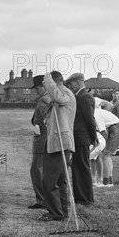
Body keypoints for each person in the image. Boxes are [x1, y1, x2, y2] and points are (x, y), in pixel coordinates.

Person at [39, 71, 76, 221]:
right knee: (60, 180)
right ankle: (62, 212)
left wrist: (47, 78)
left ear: (54, 82)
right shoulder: (60, 95)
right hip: (56, 142)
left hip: (61, 142)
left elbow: (58, 97)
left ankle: (55, 212)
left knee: (49, 179)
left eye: (46, 84)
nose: (45, 87)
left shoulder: (65, 93)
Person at [64, 73, 97, 206]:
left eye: (70, 84)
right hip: (77, 138)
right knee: (77, 168)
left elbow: (90, 120)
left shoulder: (85, 97)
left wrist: (93, 138)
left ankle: (86, 198)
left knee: (82, 168)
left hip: (82, 138)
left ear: (78, 83)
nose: (69, 86)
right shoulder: (79, 96)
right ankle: (80, 197)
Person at [28, 75, 51, 209]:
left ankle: (42, 200)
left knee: (36, 170)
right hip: (45, 138)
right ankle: (45, 199)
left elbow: (47, 120)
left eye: (37, 88)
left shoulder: (44, 100)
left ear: (43, 86)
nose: (36, 91)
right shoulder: (48, 98)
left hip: (42, 139)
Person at [93, 100, 119, 187]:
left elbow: (104, 133)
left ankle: (106, 183)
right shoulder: (97, 112)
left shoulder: (95, 114)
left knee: (105, 155)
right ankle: (109, 181)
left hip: (116, 129)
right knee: (107, 155)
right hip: (118, 128)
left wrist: (101, 145)